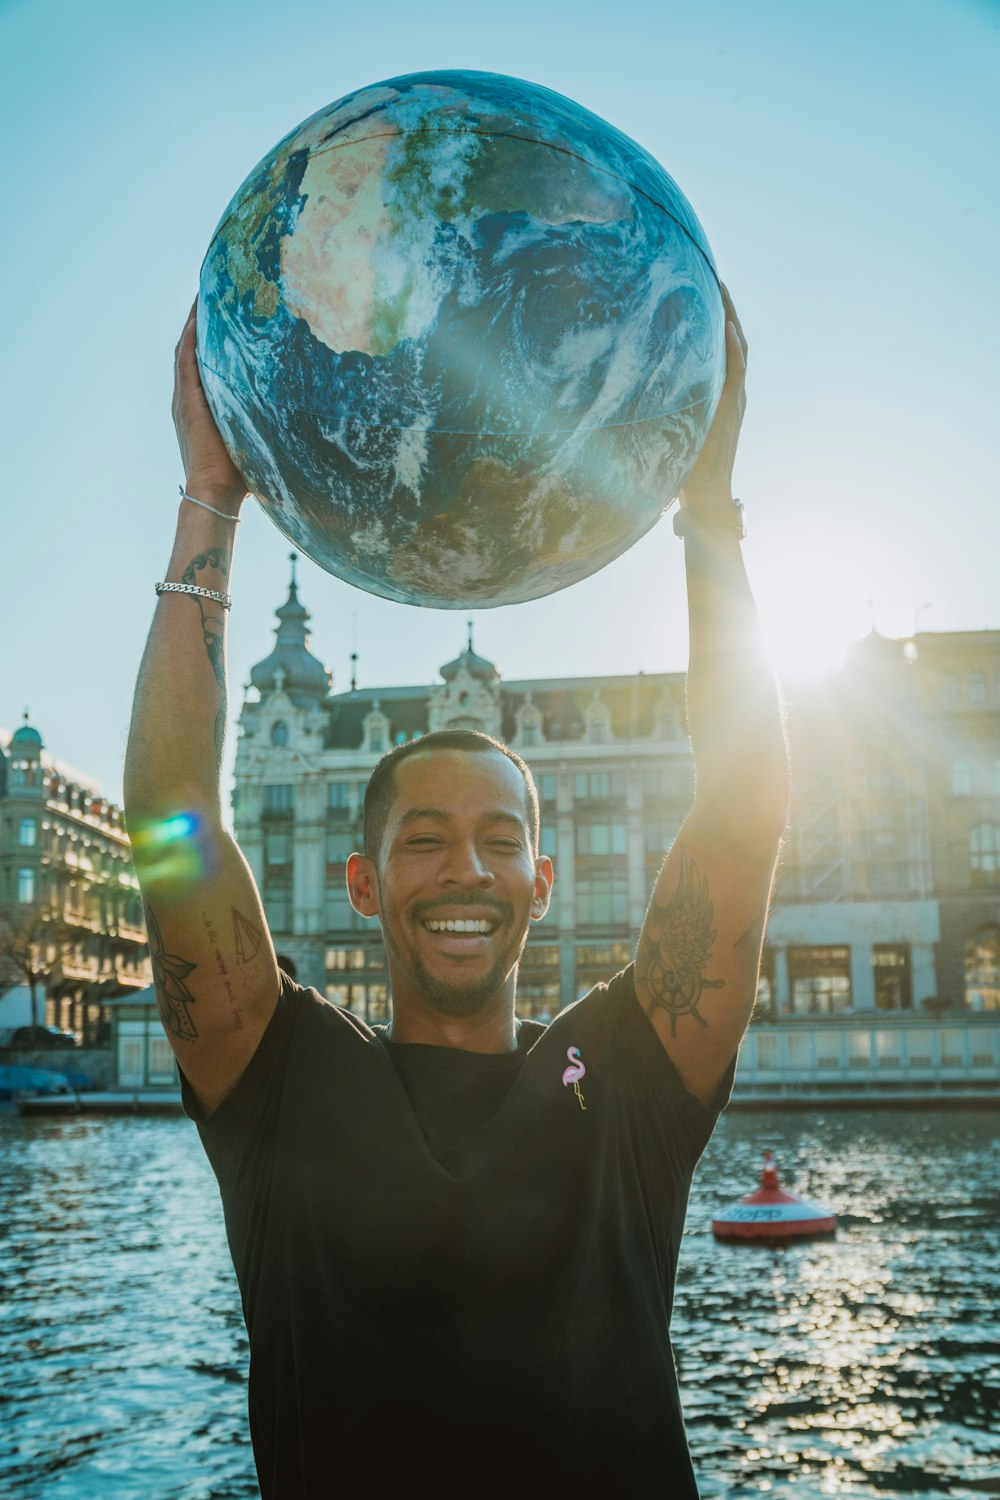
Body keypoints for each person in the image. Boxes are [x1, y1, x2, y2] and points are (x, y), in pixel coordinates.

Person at [124, 286, 788, 1498]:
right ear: (362, 884)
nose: (466, 868)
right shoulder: (281, 1081)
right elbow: (175, 819)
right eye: (424, 840)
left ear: (543, 879)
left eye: (497, 840)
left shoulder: (623, 1074)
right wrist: (208, 498)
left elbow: (739, 814)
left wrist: (707, 512)